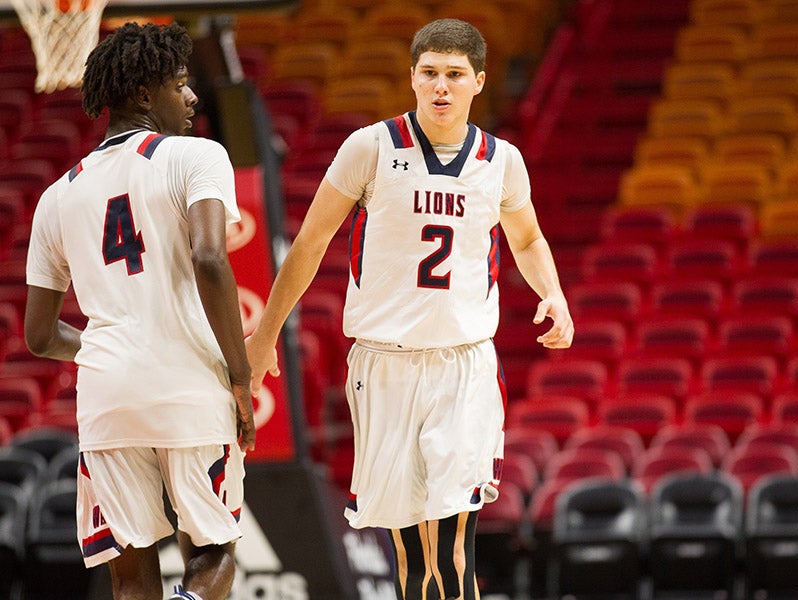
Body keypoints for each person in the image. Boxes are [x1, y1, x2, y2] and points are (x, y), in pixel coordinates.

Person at [247, 17, 573, 600]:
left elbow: (527, 239)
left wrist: (554, 293)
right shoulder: (370, 147)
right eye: (430, 73)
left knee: (451, 549)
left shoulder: (502, 161)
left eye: (454, 75)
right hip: (384, 365)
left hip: (462, 365)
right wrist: (265, 332)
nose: (441, 86)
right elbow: (310, 242)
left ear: (478, 81)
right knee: (411, 556)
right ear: (413, 78)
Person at [24, 21, 255, 600]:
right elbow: (210, 257)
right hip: (188, 385)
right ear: (144, 96)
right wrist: (241, 377)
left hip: (107, 396)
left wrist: (109, 346)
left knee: (129, 577)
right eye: (180, 84)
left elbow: (39, 336)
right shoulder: (197, 156)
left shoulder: (56, 195)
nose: (192, 96)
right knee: (213, 551)